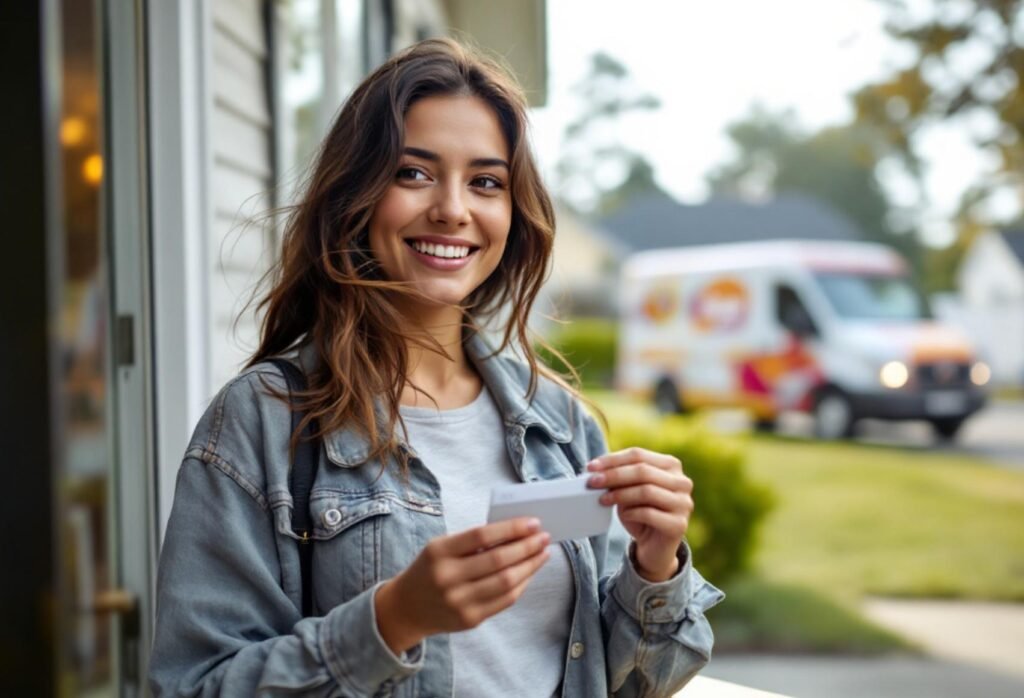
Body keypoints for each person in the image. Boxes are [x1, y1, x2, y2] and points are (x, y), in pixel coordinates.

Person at [149, 38, 724, 697]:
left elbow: (636, 683)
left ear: (512, 213)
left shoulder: (557, 424)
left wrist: (656, 565)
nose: (454, 208)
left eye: (485, 182)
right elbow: (193, 686)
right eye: (414, 173)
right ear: (355, 197)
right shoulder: (262, 421)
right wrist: (392, 621)